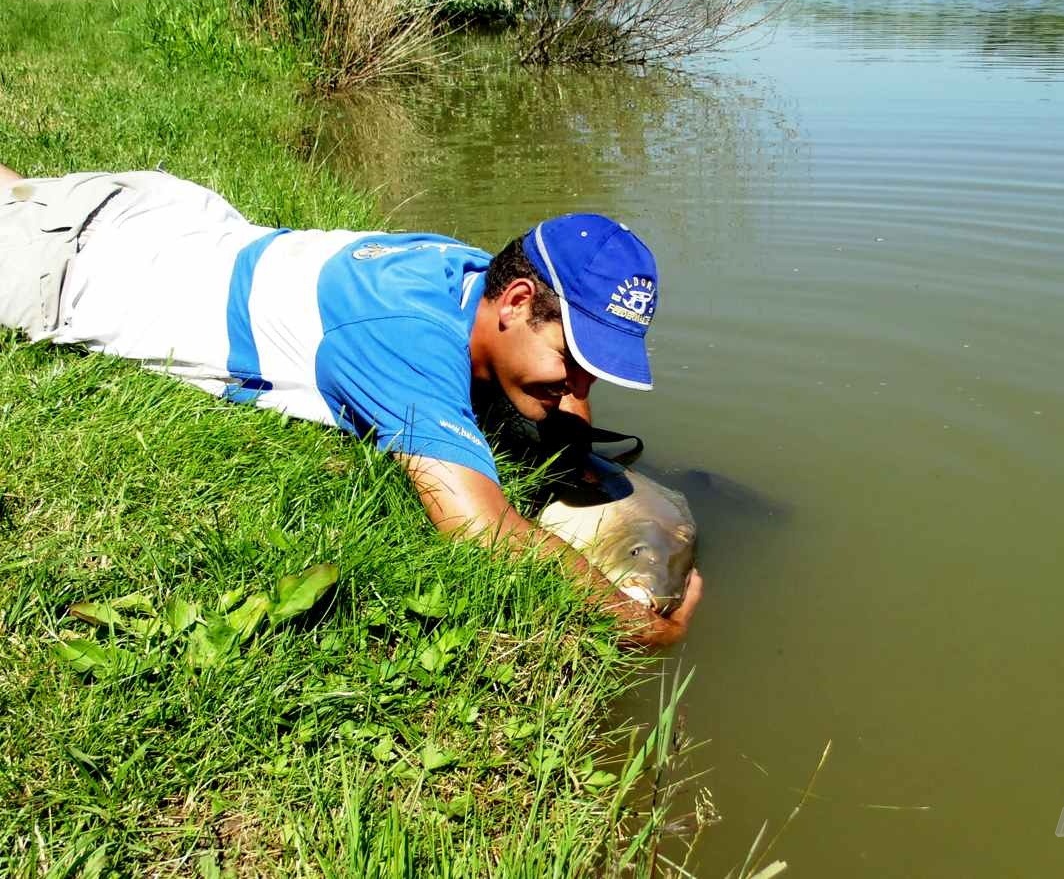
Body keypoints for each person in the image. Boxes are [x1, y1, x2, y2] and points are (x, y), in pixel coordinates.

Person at [0, 164, 702, 646]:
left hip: (169, 216)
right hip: (73, 271)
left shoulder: (465, 273)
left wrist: (567, 439)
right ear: (517, 302)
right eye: (569, 364)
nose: (576, 395)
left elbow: (544, 388)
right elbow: (480, 530)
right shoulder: (400, 343)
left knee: (21, 193)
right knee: (21, 220)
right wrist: (640, 624)